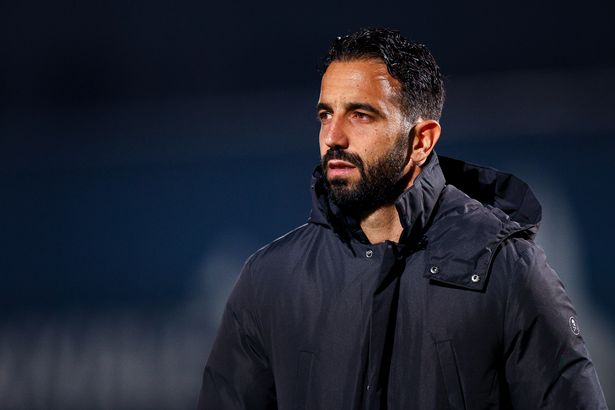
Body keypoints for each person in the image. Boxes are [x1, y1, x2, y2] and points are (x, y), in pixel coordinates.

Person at [198, 28, 607, 409]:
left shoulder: (506, 271)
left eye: (360, 115)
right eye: (325, 114)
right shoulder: (269, 281)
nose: (333, 137)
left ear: (421, 140)